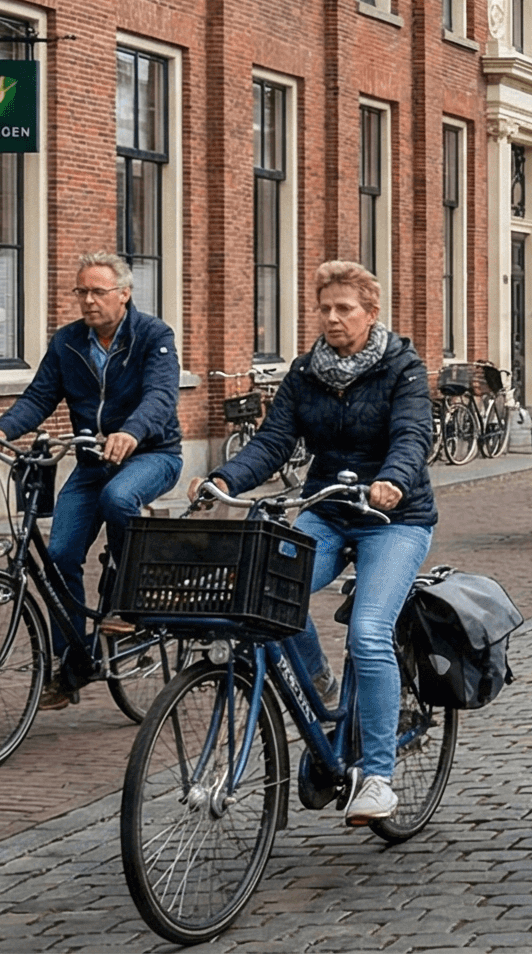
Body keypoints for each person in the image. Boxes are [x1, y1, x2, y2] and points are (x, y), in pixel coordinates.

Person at [198, 261, 433, 825]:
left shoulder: (403, 367)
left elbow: (412, 434)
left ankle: (376, 775)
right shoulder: (306, 372)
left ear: (370, 313)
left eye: (344, 308)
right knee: (268, 591)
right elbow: (275, 440)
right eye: (324, 308)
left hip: (394, 518)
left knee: (369, 632)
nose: (331, 317)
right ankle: (321, 685)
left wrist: (394, 481)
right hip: (327, 510)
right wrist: (226, 477)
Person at [0, 251, 184, 707]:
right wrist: (2, 429)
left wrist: (131, 432)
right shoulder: (68, 342)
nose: (88, 301)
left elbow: (161, 396)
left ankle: (126, 596)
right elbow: (40, 395)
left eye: (98, 291)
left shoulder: (153, 336)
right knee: (59, 554)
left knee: (120, 497)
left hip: (153, 454)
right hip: (92, 459)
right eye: (82, 292)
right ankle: (73, 663)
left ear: (124, 294)